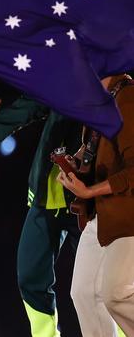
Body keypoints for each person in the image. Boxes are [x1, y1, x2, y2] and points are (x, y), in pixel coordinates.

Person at [0, 93, 84, 336]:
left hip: (90, 202)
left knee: (95, 286)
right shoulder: (64, 78)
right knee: (30, 277)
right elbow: (22, 110)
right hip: (47, 198)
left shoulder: (116, 85)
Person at [58, 74, 134, 337]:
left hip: (127, 214)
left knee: (116, 294)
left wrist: (89, 190)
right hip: (101, 214)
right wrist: (75, 164)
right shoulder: (99, 103)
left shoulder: (127, 98)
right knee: (83, 294)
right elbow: (93, 152)